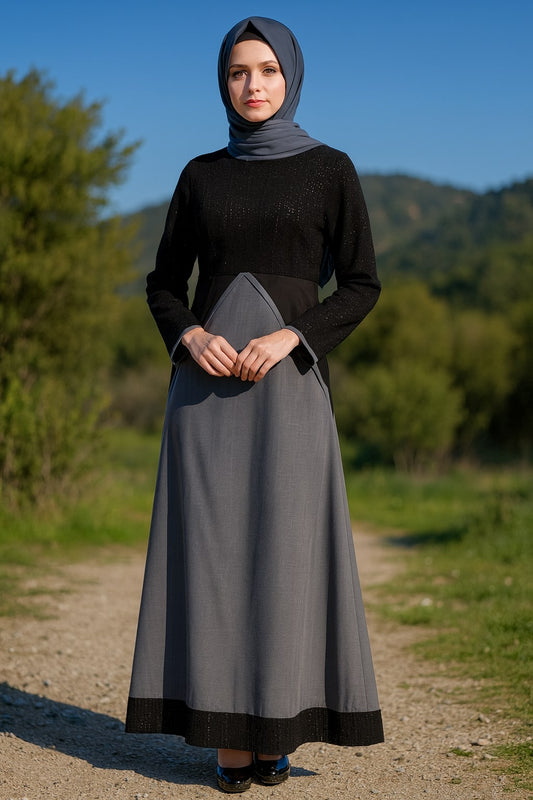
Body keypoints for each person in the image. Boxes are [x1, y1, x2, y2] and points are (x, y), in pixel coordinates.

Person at [125, 16, 384, 793]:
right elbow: (163, 284)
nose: (253, 85)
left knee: (284, 559)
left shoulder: (329, 170)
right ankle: (224, 738)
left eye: (267, 70)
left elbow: (363, 284)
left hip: (291, 392)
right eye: (239, 72)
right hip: (203, 400)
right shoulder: (201, 175)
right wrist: (189, 336)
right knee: (211, 563)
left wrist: (294, 338)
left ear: (291, 76)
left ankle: (274, 725)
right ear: (223, 83)